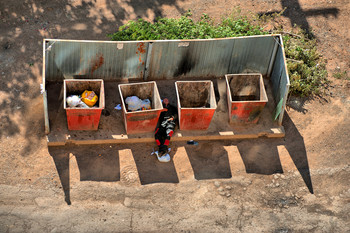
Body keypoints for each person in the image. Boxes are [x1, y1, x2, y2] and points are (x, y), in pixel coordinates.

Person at [153, 98, 177, 162]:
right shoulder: (160, 108)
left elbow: (176, 114)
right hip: (163, 123)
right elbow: (156, 115)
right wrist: (160, 111)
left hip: (170, 122)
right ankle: (162, 148)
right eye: (164, 100)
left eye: (167, 99)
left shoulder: (172, 107)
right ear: (162, 102)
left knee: (169, 132)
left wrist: (172, 118)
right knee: (157, 135)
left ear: (169, 101)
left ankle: (165, 146)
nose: (166, 100)